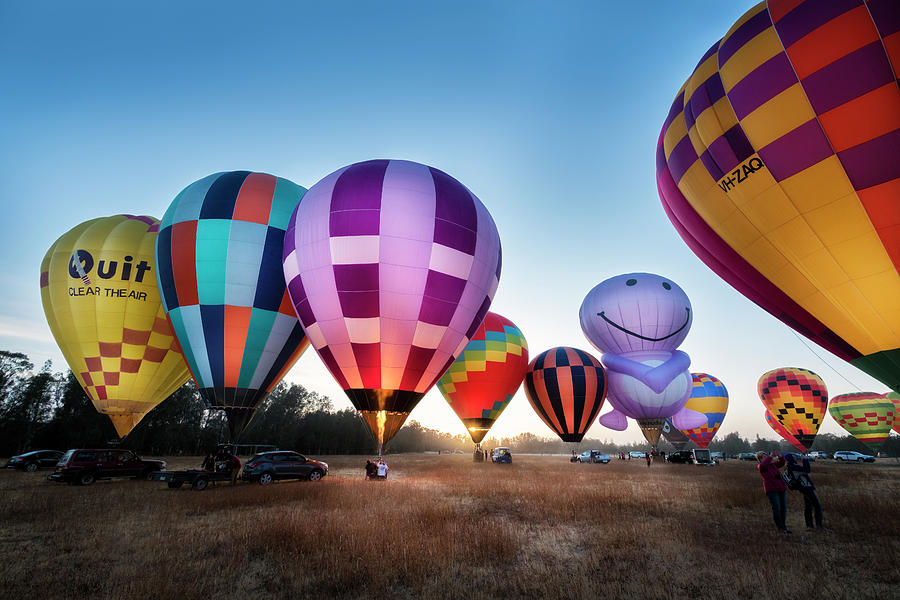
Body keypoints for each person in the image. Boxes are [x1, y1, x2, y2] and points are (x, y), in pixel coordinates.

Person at [785, 453, 823, 529]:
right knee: (817, 506)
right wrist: (805, 460)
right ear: (790, 459)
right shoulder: (793, 467)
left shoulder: (791, 466)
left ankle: (809, 526)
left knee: (808, 506)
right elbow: (807, 470)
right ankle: (819, 526)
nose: (795, 457)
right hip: (806, 488)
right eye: (793, 457)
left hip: (804, 488)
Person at [757, 451, 791, 534]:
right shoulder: (761, 466)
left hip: (781, 488)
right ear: (760, 459)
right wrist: (770, 457)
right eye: (763, 456)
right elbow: (764, 464)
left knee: (783, 509)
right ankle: (780, 528)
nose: (766, 457)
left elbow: (782, 463)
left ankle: (783, 527)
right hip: (772, 490)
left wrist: (780, 456)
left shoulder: (773, 465)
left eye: (766, 455)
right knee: (777, 509)